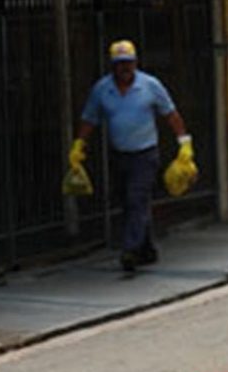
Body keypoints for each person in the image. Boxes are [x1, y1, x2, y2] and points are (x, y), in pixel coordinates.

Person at [70, 40, 194, 272]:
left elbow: (171, 114)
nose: (124, 69)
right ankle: (146, 248)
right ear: (112, 66)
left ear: (135, 63)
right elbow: (90, 118)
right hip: (119, 154)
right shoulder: (102, 89)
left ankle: (129, 250)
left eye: (128, 64)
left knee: (137, 198)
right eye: (120, 64)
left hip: (145, 154)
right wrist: (79, 144)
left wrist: (184, 143)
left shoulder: (150, 85)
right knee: (128, 202)